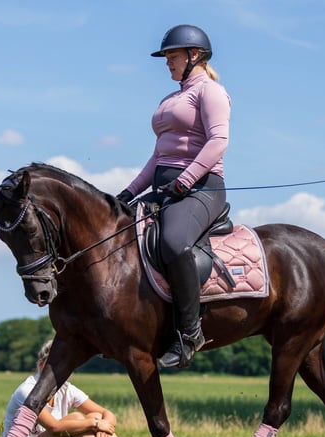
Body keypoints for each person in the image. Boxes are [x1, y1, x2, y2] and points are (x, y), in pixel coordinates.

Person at [116, 24, 231, 369]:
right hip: (167, 186)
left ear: (194, 55)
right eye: (166, 56)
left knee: (173, 241)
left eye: (172, 55)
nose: (167, 62)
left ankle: (190, 333)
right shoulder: (170, 99)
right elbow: (158, 157)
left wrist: (186, 180)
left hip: (202, 188)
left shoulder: (211, 92)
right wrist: (129, 192)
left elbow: (218, 143)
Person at [2, 339, 162, 437]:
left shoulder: (66, 389)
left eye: (68, 364)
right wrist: (95, 424)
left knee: (93, 416)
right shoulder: (28, 390)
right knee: (81, 418)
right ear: (42, 364)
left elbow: (108, 414)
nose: (65, 369)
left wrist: (100, 424)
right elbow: (54, 427)